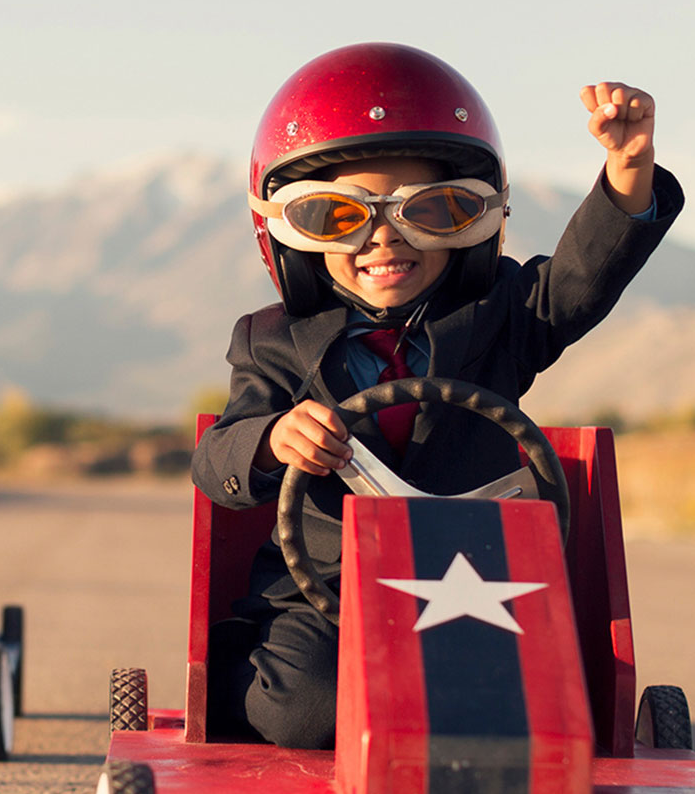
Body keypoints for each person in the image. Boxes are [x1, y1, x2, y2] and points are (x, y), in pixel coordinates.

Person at [192, 43, 684, 750]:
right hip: (325, 597)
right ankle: (245, 683)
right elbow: (217, 460)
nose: (383, 239)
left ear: (475, 220)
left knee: (540, 709)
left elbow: (580, 280)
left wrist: (628, 173)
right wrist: (273, 440)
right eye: (338, 218)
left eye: (431, 211)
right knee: (303, 710)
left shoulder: (502, 314)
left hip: (481, 583)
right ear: (291, 233)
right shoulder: (271, 340)